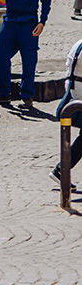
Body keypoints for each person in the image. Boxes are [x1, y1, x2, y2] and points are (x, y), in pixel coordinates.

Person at [50, 36, 82, 189]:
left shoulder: (78, 43)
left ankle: (61, 170)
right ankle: (61, 170)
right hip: (79, 95)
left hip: (75, 91)